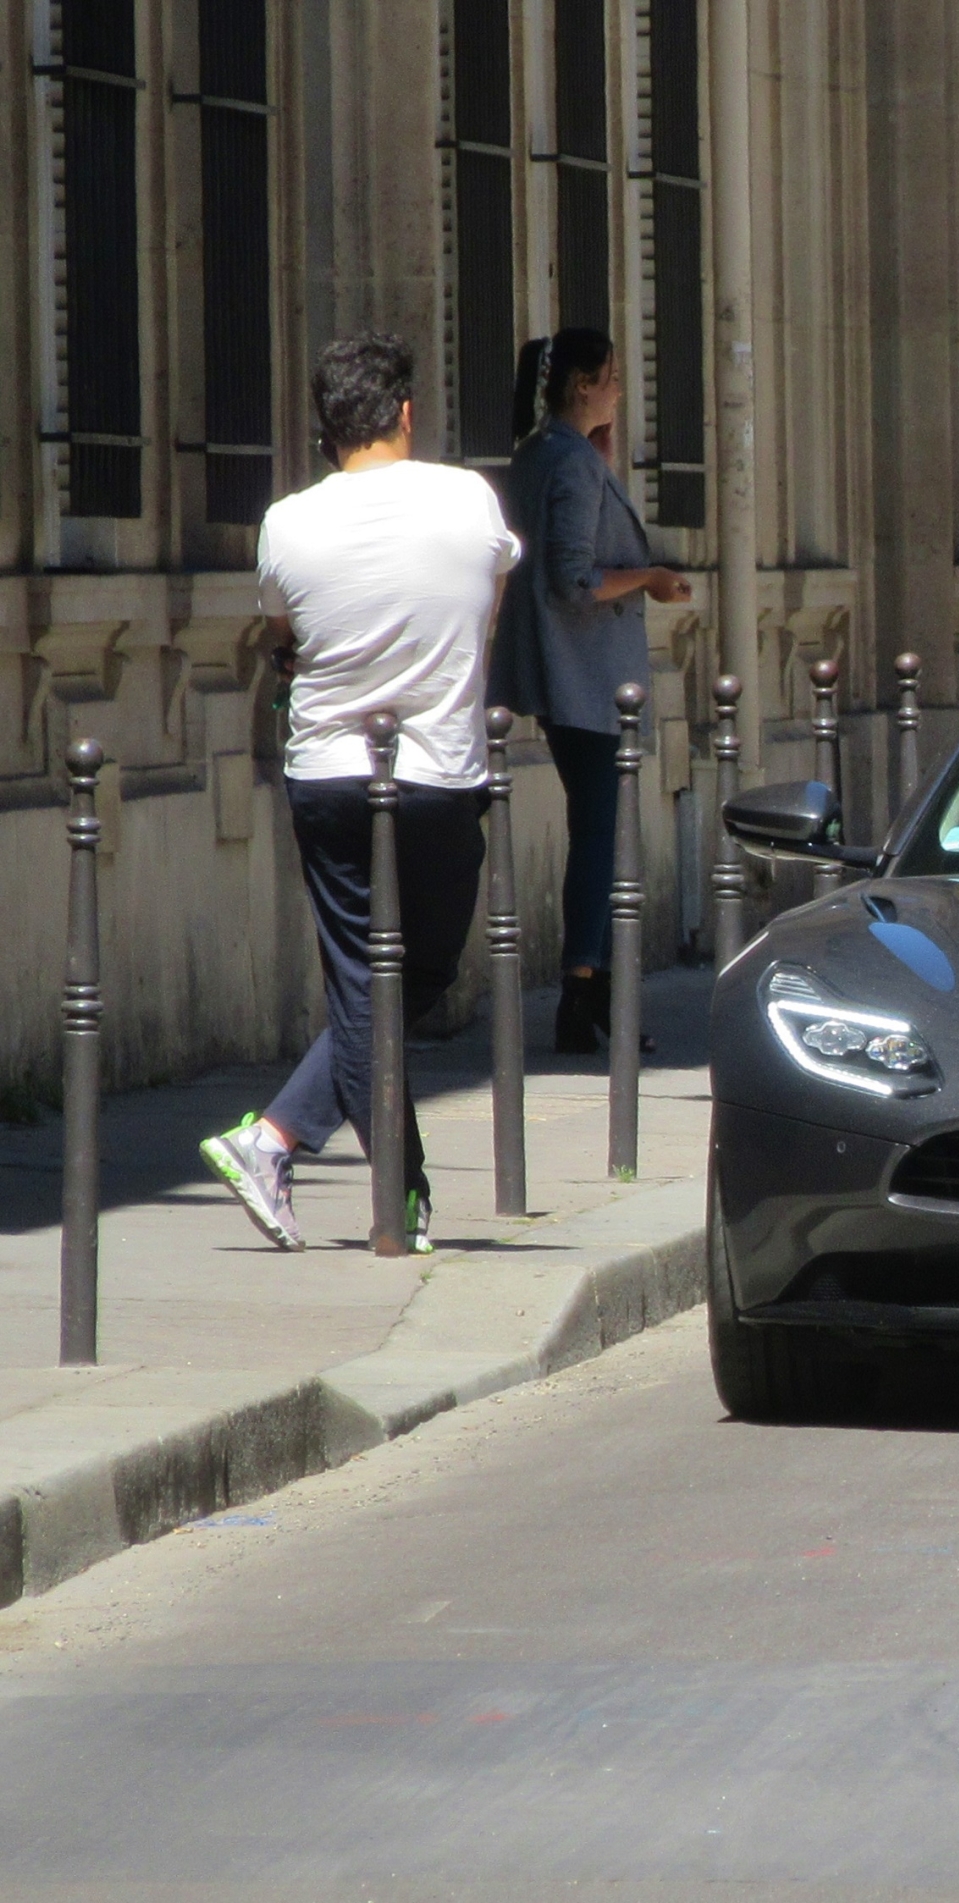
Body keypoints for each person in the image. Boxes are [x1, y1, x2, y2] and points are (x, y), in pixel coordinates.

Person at [198, 333, 521, 1252]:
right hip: (438, 774)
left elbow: (284, 634)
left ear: (324, 430)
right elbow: (487, 607)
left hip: (330, 773)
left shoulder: (287, 521)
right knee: (416, 970)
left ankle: (290, 1144)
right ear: (406, 414)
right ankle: (389, 1194)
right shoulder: (469, 498)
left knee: (361, 982)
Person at [487, 329, 690, 1053]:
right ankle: (582, 984)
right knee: (601, 834)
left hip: (560, 671)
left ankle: (592, 983)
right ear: (580, 385)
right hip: (587, 676)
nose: (617, 390)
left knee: (599, 829)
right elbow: (575, 580)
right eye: (609, 377)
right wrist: (652, 578)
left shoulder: (545, 454)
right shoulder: (569, 464)